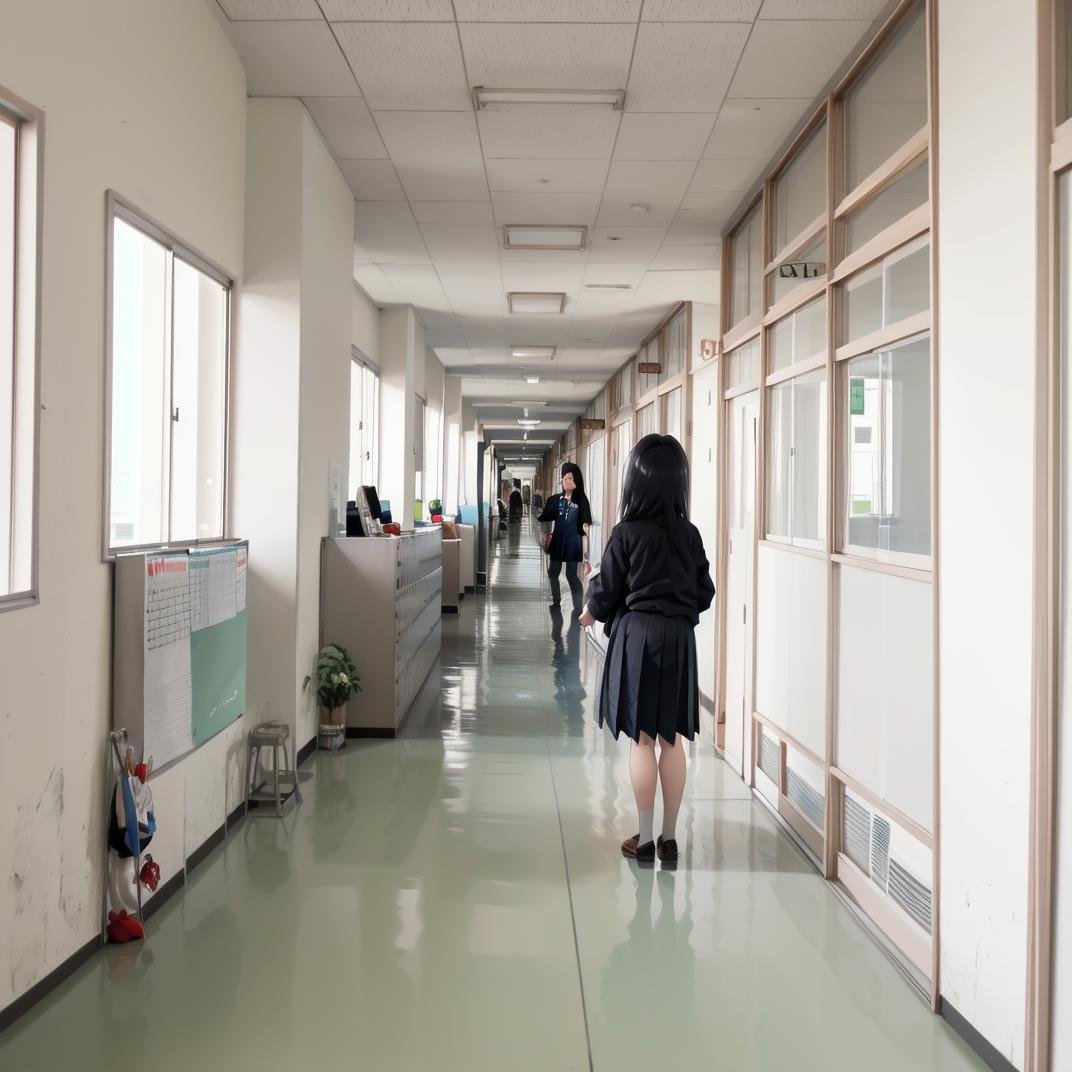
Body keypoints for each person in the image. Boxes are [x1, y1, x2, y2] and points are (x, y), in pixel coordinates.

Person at [579, 435, 714, 865]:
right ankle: (671, 839)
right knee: (672, 741)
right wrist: (676, 608)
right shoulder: (689, 535)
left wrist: (590, 610)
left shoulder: (625, 533)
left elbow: (606, 590)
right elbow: (704, 592)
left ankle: (646, 837)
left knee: (642, 740)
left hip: (637, 640)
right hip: (677, 639)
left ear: (635, 483)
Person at [537, 462, 592, 614]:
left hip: (574, 543)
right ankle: (556, 601)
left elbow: (586, 529)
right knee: (552, 572)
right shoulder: (555, 499)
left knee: (572, 575)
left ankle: (578, 608)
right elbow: (544, 519)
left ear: (577, 481)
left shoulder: (582, 501)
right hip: (558, 541)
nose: (567, 481)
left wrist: (587, 556)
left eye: (571, 478)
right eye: (565, 478)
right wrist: (542, 537)